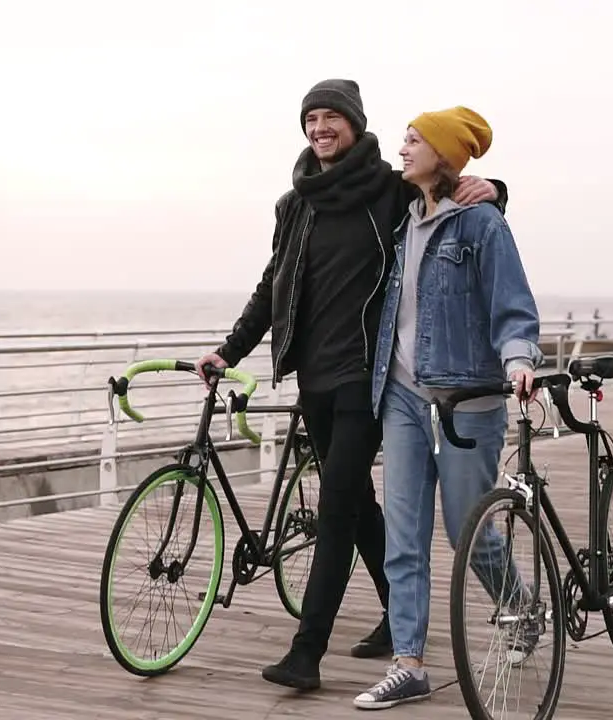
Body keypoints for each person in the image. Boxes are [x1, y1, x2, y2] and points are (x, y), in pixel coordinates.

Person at [196, 79, 509, 692]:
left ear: (355, 125)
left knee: (336, 508)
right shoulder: (295, 204)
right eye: (311, 117)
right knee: (358, 503)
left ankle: (306, 653)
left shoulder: (387, 191)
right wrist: (228, 348)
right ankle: (397, 612)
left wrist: (498, 189)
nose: (321, 127)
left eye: (332, 117)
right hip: (313, 377)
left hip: (368, 382)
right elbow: (272, 287)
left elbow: (448, 198)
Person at [354, 106, 540, 710]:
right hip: (403, 395)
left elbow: (512, 303)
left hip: (469, 399)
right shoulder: (402, 221)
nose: (402, 148)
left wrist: (519, 360)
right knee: (403, 536)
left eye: (413, 140)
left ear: (443, 153)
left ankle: (519, 606)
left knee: (468, 528)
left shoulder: (482, 224)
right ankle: (408, 662)